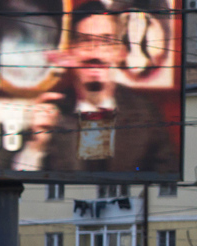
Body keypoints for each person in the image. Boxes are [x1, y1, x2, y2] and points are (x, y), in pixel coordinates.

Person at [32, 1, 179, 175]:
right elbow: (17, 184)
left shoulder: (147, 114)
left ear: (120, 51)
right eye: (85, 41)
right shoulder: (49, 113)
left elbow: (168, 178)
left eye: (106, 41)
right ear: (70, 51)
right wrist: (36, 147)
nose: (96, 53)